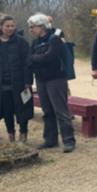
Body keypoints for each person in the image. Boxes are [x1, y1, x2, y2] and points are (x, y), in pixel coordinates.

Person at [27, 13, 75, 153]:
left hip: (56, 80)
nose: (30, 30)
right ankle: (50, 140)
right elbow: (29, 61)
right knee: (47, 112)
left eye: (32, 27)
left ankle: (69, 141)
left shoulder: (55, 40)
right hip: (41, 81)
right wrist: (40, 58)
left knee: (61, 111)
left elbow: (50, 58)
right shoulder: (35, 42)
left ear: (41, 26)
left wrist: (36, 58)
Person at [0, 13, 33, 144]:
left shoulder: (20, 41)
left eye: (12, 26)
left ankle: (23, 135)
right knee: (7, 111)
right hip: (1, 83)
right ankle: (11, 134)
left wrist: (28, 80)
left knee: (23, 109)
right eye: (7, 26)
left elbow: (27, 62)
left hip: (19, 83)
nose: (10, 28)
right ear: (0, 27)